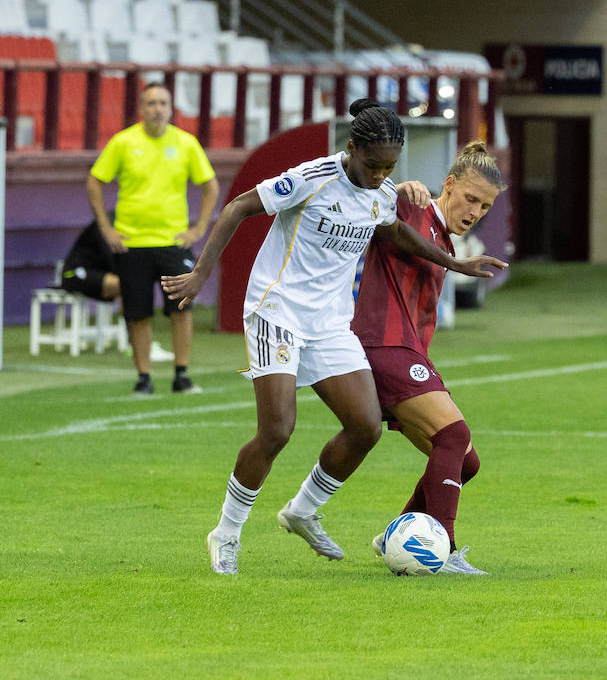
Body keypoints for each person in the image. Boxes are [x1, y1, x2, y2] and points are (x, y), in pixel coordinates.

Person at [160, 98, 507, 575]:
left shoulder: (381, 193)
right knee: (278, 429)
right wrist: (201, 274)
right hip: (276, 311)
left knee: (365, 426)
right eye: (371, 165)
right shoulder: (313, 177)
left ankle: (302, 510)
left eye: (388, 167)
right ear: (351, 149)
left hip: (329, 324)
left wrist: (455, 262)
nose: (378, 175)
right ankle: (227, 532)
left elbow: (395, 234)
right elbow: (241, 206)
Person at [352, 141, 505, 576]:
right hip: (383, 347)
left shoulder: (445, 242)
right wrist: (400, 188)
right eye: (470, 198)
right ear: (449, 184)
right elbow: (369, 201)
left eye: (485, 207)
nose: (475, 211)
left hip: (406, 352)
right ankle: (445, 548)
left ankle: (393, 536)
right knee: (454, 435)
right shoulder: (415, 210)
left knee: (465, 460)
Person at [87, 82, 219, 395]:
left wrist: (198, 229)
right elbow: (94, 181)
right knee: (137, 312)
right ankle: (143, 377)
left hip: (173, 242)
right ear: (141, 109)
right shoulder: (123, 142)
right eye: (151, 103)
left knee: (181, 308)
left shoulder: (186, 143)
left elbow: (210, 187)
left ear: (171, 108)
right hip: (132, 243)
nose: (157, 109)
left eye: (162, 103)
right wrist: (106, 229)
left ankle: (181, 374)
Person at [59, 218, 174, 362]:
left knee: (133, 285)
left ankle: (139, 342)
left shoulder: (132, 228)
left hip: (97, 273)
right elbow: (116, 260)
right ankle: (140, 343)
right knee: (130, 286)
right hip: (74, 274)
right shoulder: (108, 225)